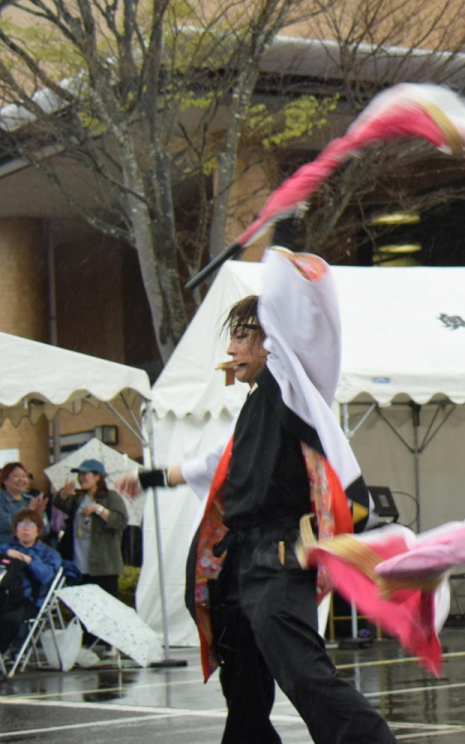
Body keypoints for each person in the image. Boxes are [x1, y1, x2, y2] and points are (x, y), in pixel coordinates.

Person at [117, 224, 394, 744]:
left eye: (244, 335)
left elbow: (303, 308)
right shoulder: (253, 413)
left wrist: (283, 234)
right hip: (237, 558)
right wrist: (147, 476)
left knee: (300, 669)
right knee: (242, 686)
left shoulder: (292, 384)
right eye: (234, 335)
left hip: (279, 549)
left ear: (274, 341)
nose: (233, 347)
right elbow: (208, 467)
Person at [53, 459, 127, 597]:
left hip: (104, 566)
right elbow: (58, 503)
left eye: (85, 474)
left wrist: (99, 510)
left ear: (98, 476)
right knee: (82, 609)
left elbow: (120, 522)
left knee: (105, 607)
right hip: (78, 563)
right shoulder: (78, 497)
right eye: (79, 474)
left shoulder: (111, 497)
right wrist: (64, 493)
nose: (81, 478)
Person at [0, 509, 62, 657]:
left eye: (31, 525)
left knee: (10, 618)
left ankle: (8, 650)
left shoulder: (49, 554)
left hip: (30, 600)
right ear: (15, 530)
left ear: (39, 531)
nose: (25, 529)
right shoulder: (7, 548)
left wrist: (29, 561)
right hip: (5, 596)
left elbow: (46, 577)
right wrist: (7, 553)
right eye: (21, 525)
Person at [0, 462, 48, 539]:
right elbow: (3, 525)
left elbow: (45, 531)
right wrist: (28, 512)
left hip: (30, 548)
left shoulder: (30, 500)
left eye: (24, 476)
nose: (22, 480)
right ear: (5, 480)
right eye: (16, 476)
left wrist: (39, 515)